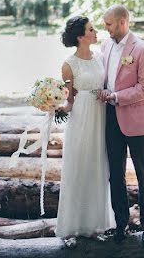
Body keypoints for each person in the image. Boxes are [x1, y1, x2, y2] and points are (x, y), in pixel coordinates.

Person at [97, 4, 144, 246]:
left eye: (109, 24)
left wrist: (117, 97)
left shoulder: (143, 50)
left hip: (136, 122)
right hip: (111, 120)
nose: (106, 29)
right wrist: (103, 93)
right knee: (115, 176)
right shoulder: (105, 46)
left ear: (122, 22)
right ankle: (121, 223)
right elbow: (104, 78)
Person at [54, 16, 114, 238]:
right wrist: (55, 107)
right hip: (81, 119)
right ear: (80, 37)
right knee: (80, 168)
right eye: (91, 29)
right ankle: (74, 225)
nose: (96, 31)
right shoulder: (69, 65)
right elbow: (69, 101)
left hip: (101, 116)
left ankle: (96, 224)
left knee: (98, 167)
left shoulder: (100, 57)